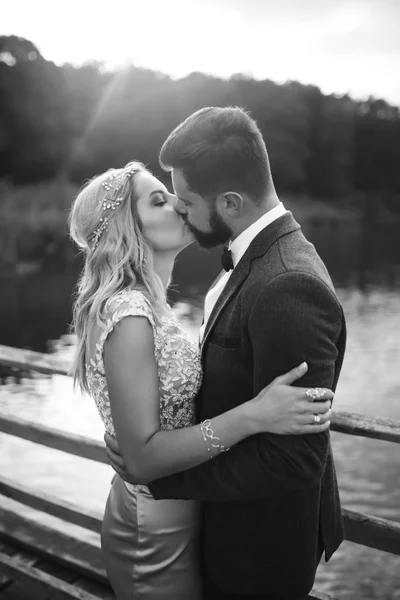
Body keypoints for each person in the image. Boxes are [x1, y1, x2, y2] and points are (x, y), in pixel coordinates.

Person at [105, 107, 347, 600]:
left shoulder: (288, 284)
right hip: (216, 529)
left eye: (188, 201)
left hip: (258, 548)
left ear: (231, 202)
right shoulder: (246, 263)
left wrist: (160, 476)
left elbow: (295, 461)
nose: (180, 210)